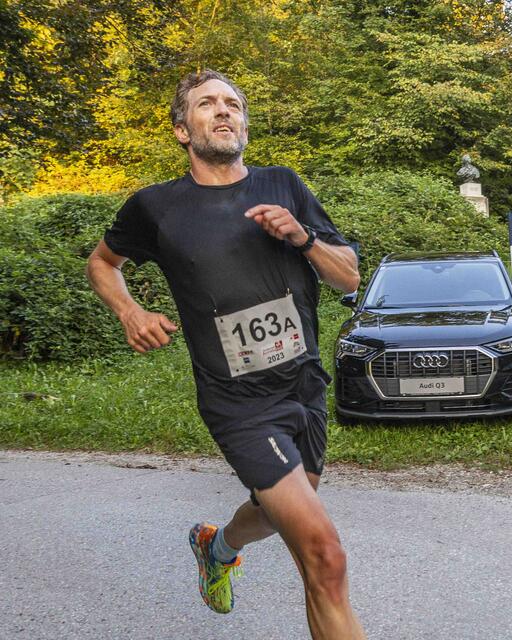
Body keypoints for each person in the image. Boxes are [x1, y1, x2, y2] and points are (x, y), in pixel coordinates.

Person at [86, 70, 366, 639]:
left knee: (279, 514)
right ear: (181, 130)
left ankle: (218, 546)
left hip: (304, 385)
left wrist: (303, 239)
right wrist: (131, 312)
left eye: (233, 104)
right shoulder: (155, 207)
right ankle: (224, 548)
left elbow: (348, 277)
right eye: (207, 104)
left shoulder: (283, 185)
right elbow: (102, 264)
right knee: (325, 558)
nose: (223, 111)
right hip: (239, 403)